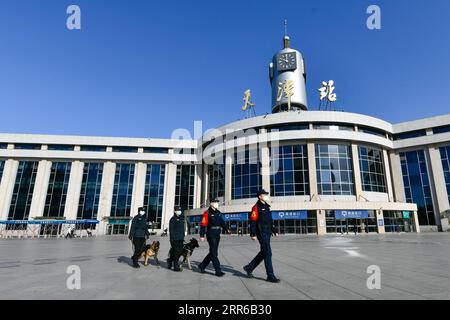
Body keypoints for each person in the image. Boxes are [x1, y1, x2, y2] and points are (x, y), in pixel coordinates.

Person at [243, 189, 280, 283]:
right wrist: (253, 233)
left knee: (264, 252)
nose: (266, 196)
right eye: (264, 194)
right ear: (260, 196)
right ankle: (270, 275)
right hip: (261, 232)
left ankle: (249, 267)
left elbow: (270, 221)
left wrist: (274, 230)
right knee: (268, 253)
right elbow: (253, 221)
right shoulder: (256, 207)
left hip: (267, 232)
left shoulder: (267, 207)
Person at [198, 198, 230, 277]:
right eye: (215, 202)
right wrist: (202, 235)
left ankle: (202, 265)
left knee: (213, 252)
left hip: (217, 234)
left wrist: (227, 229)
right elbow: (203, 224)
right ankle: (218, 271)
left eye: (217, 202)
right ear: (211, 203)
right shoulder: (207, 213)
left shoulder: (218, 213)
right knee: (214, 253)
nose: (217, 204)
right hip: (211, 233)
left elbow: (222, 222)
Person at [167, 206, 185, 272]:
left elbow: (182, 228)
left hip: (181, 238)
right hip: (175, 239)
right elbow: (171, 230)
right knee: (176, 252)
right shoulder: (172, 219)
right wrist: (172, 239)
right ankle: (176, 266)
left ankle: (170, 260)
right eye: (178, 210)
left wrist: (183, 236)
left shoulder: (182, 218)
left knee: (179, 252)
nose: (179, 211)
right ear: (175, 211)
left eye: (180, 210)